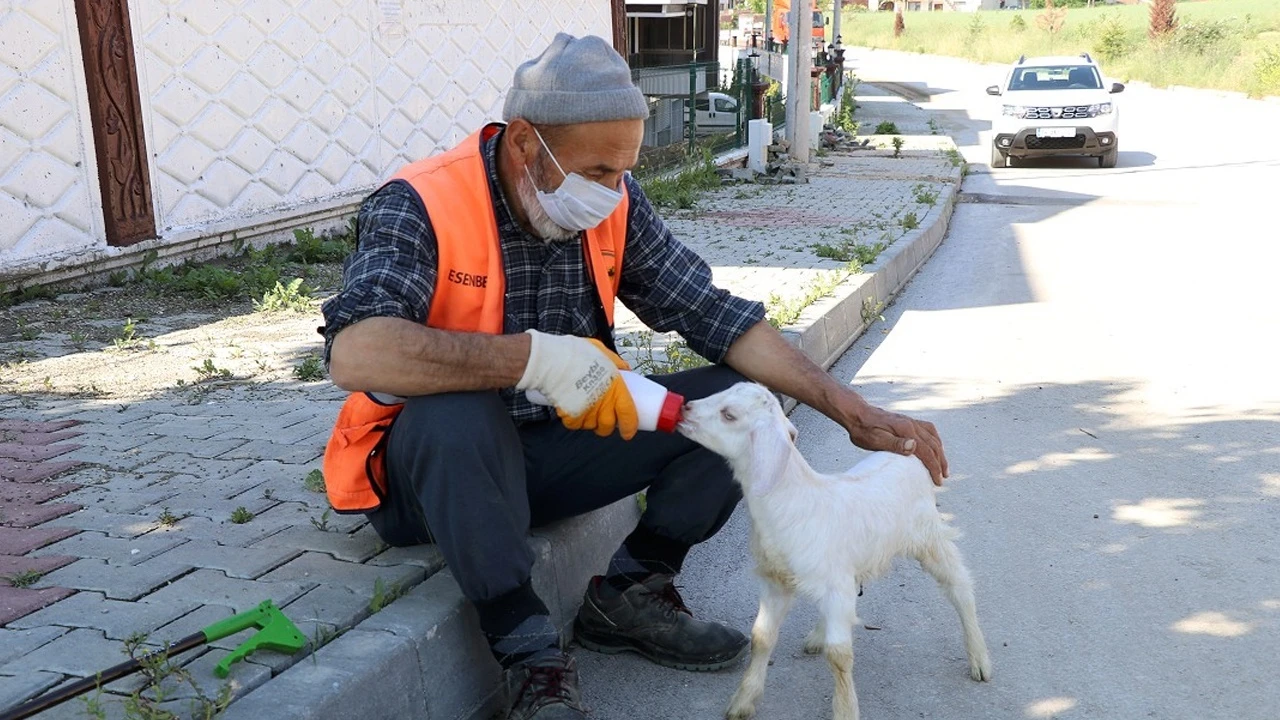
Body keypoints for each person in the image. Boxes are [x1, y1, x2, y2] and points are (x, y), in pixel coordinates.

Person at [319, 32, 948, 720]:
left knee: (743, 405)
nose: (614, 192)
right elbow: (356, 353)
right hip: (432, 478)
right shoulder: (418, 203)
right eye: (597, 171)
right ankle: (528, 650)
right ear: (526, 144)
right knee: (456, 411)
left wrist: (850, 410)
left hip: (548, 455)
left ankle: (631, 591)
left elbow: (712, 314)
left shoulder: (613, 201)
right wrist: (531, 359)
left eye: (624, 171)